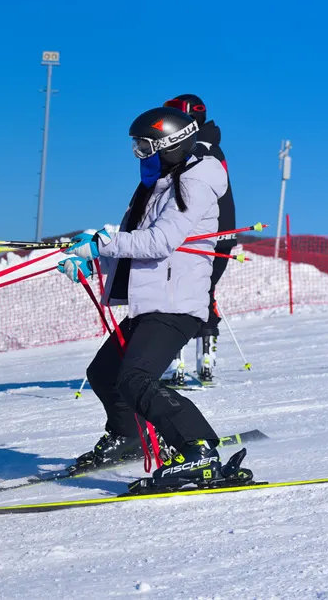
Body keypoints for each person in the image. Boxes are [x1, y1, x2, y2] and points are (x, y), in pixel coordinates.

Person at [55, 105, 250, 489]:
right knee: (105, 374)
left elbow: (160, 243)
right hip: (152, 302)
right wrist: (91, 263)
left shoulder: (195, 182)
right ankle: (130, 436)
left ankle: (199, 450)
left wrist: (103, 245)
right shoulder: (157, 187)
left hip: (176, 304)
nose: (140, 156)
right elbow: (133, 251)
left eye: (145, 147)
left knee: (137, 378)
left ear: (171, 143)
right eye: (136, 148)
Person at [161, 94, 235, 385]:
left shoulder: (189, 148)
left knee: (178, 294)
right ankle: (206, 361)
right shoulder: (213, 146)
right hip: (223, 233)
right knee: (205, 293)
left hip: (199, 234)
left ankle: (174, 364)